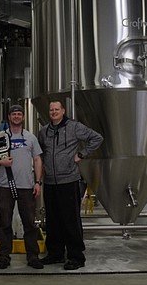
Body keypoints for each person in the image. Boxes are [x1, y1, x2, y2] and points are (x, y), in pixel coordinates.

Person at [38, 99, 103, 270]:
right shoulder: (44, 131)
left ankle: (76, 257)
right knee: (52, 220)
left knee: (70, 220)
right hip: (50, 182)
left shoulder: (74, 127)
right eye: (51, 110)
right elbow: (40, 152)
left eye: (56, 109)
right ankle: (55, 254)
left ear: (63, 110)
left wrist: (81, 154)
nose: (53, 112)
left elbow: (97, 138)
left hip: (69, 180)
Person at [0, 104, 44, 270]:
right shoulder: (0, 137)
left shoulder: (30, 137)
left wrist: (38, 182)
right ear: (9, 117)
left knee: (29, 223)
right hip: (6, 186)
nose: (17, 116)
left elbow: (37, 160)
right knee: (5, 223)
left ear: (23, 117)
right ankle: (4, 257)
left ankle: (33, 256)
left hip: (26, 186)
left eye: (19, 114)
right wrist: (1, 162)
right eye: (14, 114)